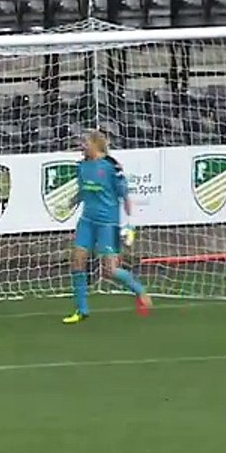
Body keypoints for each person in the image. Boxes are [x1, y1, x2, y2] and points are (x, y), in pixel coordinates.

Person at [61, 130, 152, 324]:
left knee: (110, 271)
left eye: (85, 142)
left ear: (95, 144)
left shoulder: (111, 167)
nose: (81, 146)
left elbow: (124, 196)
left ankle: (139, 290)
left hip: (108, 224)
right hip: (87, 221)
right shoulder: (82, 166)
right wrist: (72, 202)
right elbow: (83, 190)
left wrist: (129, 225)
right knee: (77, 261)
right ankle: (81, 310)